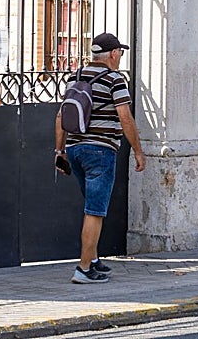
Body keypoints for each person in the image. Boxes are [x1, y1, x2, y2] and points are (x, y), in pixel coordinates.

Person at [54, 32, 146, 284]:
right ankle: (83, 269)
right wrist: (138, 151)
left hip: (75, 149)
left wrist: (59, 151)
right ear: (113, 54)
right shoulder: (115, 80)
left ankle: (93, 259)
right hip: (100, 151)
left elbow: (61, 116)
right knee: (95, 210)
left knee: (91, 205)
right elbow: (125, 117)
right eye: (120, 53)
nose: (120, 57)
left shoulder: (75, 77)